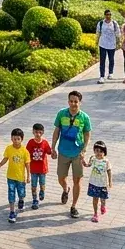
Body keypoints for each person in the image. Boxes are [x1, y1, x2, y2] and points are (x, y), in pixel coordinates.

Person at [54, 90, 92, 218]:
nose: (73, 104)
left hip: (77, 153)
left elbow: (87, 135)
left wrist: (84, 150)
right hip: (63, 151)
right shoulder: (61, 114)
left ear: (80, 102)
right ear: (68, 101)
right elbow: (56, 131)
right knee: (61, 177)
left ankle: (74, 206)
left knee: (77, 180)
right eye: (71, 101)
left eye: (76, 101)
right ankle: (66, 189)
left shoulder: (84, 117)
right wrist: (53, 147)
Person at [0, 128, 31, 223]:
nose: (16, 141)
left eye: (18, 139)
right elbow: (6, 158)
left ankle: (21, 200)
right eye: (14, 139)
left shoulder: (25, 151)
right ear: (11, 138)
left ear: (22, 139)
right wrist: (0, 164)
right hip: (10, 177)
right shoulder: (9, 148)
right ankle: (12, 212)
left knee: (21, 193)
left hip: (20, 178)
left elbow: (27, 164)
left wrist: (28, 176)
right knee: (11, 193)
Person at [24, 123, 53, 211]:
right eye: (36, 132)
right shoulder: (30, 142)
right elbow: (26, 154)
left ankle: (42, 191)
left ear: (43, 132)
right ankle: (35, 200)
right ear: (33, 132)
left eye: (40, 132)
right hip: (33, 169)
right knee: (33, 185)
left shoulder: (45, 142)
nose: (38, 134)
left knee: (42, 184)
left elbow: (49, 152)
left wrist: (53, 151)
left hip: (42, 169)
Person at [85, 141, 113, 223]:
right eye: (97, 151)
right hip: (93, 183)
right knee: (95, 199)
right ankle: (95, 214)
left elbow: (109, 171)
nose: (99, 153)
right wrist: (83, 161)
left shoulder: (106, 161)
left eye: (101, 151)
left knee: (103, 198)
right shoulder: (93, 158)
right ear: (94, 151)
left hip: (103, 184)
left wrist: (110, 181)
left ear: (104, 152)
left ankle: (103, 206)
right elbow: (88, 165)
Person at [95, 9, 120, 84]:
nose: (108, 16)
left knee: (111, 59)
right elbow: (98, 33)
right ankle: (102, 76)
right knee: (102, 60)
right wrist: (96, 42)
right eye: (107, 14)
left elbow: (118, 33)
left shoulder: (114, 23)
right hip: (102, 44)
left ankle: (110, 73)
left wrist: (119, 42)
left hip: (112, 44)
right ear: (104, 15)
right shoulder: (101, 23)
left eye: (109, 14)